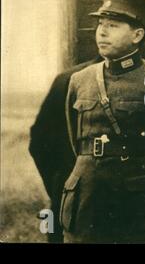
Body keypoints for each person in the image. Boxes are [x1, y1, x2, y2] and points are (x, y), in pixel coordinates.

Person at [62, 0, 145, 243]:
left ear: (137, 35)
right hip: (87, 203)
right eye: (100, 24)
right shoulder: (79, 81)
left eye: (113, 25)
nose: (102, 32)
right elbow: (75, 143)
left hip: (137, 205)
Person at [29, 56, 101, 243]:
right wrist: (61, 186)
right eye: (105, 24)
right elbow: (40, 142)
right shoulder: (68, 80)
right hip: (71, 203)